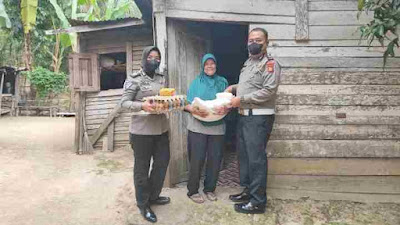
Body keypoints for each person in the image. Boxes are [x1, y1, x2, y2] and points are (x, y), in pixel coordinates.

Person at [225, 28, 281, 214]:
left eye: (258, 40)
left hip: (258, 118)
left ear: (266, 43)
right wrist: (233, 88)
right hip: (243, 116)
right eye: (251, 40)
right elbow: (248, 86)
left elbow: (268, 91)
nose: (253, 43)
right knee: (245, 156)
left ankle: (258, 202)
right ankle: (249, 191)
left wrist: (240, 99)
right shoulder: (248, 63)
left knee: (256, 160)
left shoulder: (270, 64)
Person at [121, 46, 170, 223]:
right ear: (144, 59)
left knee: (162, 164)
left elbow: (164, 99)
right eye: (150, 57)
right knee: (141, 169)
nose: (154, 60)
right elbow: (124, 103)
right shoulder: (133, 79)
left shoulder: (161, 78)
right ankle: (143, 203)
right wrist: (142, 106)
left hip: (161, 129)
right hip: (141, 132)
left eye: (157, 58)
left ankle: (154, 196)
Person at [184, 53, 229, 204]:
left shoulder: (222, 82)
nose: (210, 66)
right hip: (198, 127)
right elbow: (187, 103)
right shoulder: (196, 83)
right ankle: (192, 190)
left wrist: (226, 109)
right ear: (203, 67)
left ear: (216, 65)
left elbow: (227, 102)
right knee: (196, 160)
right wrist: (195, 110)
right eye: (206, 64)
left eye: (212, 63)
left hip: (217, 127)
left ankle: (209, 189)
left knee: (215, 159)